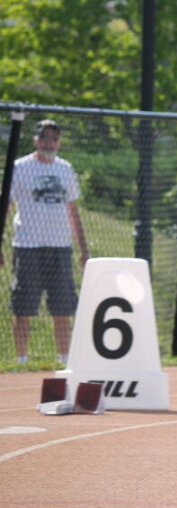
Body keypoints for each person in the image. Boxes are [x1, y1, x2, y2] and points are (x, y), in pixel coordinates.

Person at [4, 119, 88, 366]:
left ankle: (64, 359)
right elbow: (6, 207)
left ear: (59, 142)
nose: (48, 143)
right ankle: (21, 360)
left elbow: (73, 211)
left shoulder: (65, 169)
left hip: (60, 247)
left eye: (53, 138)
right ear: (35, 140)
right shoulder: (20, 167)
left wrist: (84, 250)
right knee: (24, 307)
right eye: (44, 138)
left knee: (63, 307)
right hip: (27, 245)